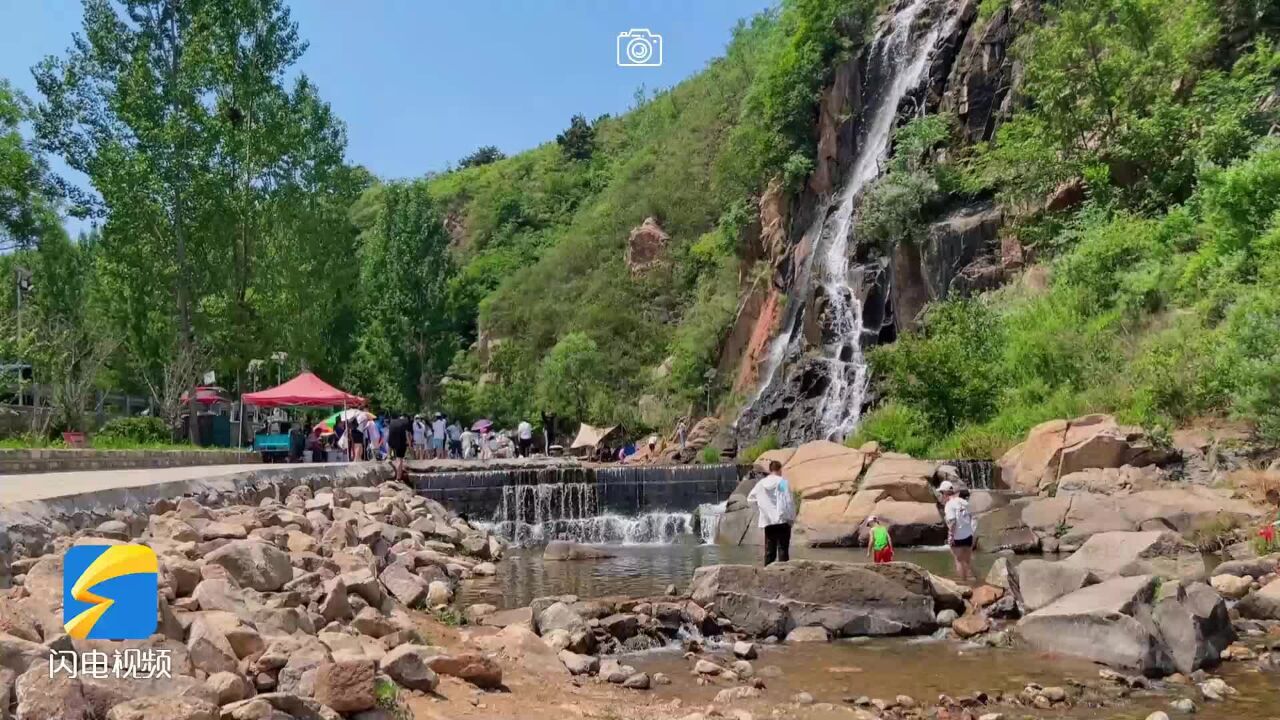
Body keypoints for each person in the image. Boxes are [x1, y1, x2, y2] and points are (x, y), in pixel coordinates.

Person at [747, 460, 796, 565]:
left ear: (770, 470)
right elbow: (787, 500)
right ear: (779, 470)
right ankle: (783, 574)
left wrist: (762, 510)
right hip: (782, 520)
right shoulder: (782, 482)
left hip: (768, 521)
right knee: (783, 550)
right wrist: (792, 518)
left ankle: (767, 573)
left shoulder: (760, 484)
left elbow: (750, 499)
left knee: (770, 551)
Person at [940, 481, 978, 583]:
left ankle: (964, 583)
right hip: (968, 535)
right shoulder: (964, 502)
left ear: (945, 493)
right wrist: (972, 532)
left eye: (941, 493)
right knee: (968, 561)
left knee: (959, 561)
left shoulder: (949, 505)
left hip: (958, 536)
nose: (941, 496)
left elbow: (952, 521)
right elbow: (973, 517)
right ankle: (979, 580)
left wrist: (950, 536)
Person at [388, 413, 412, 481]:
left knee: (396, 459)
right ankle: (398, 477)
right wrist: (410, 445)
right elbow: (407, 434)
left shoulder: (393, 422)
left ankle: (389, 457)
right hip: (401, 442)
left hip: (392, 443)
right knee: (399, 460)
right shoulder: (406, 422)